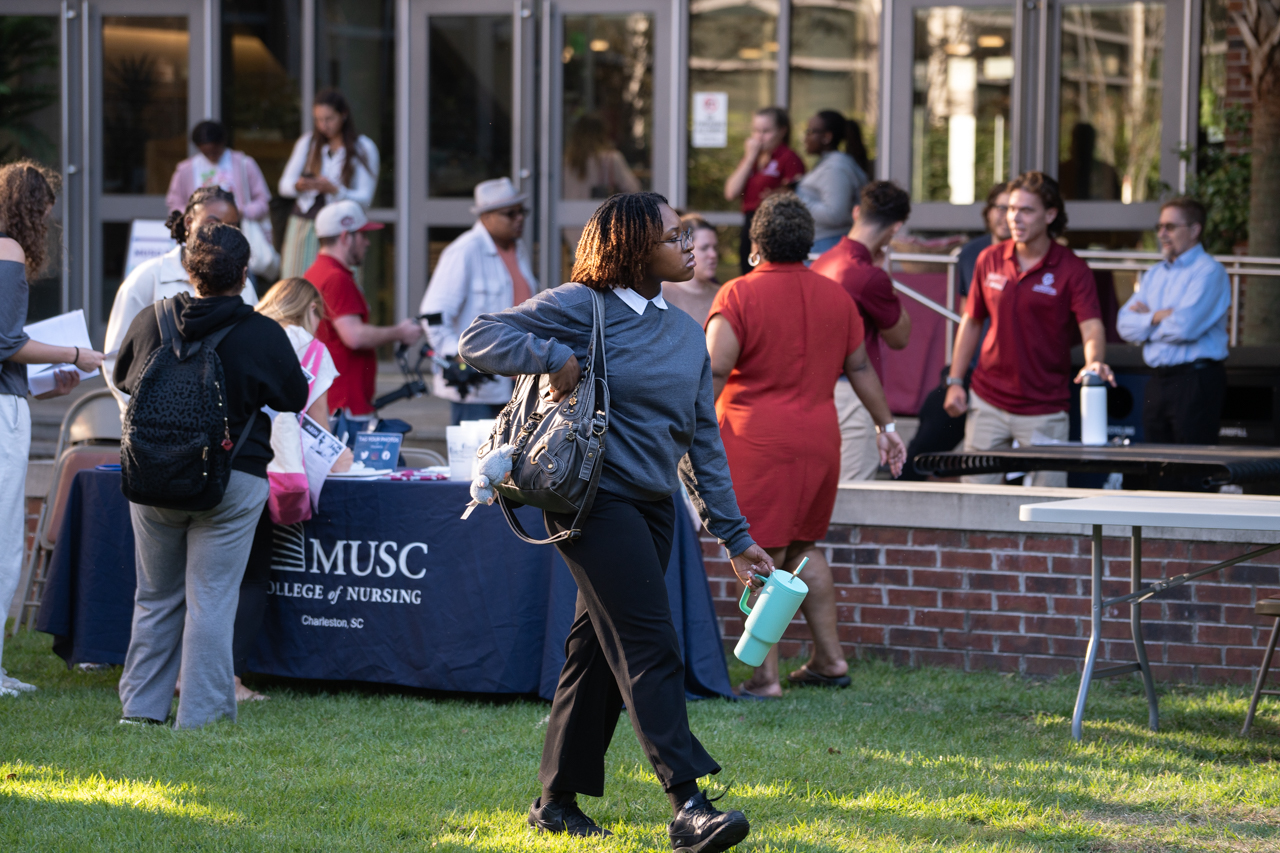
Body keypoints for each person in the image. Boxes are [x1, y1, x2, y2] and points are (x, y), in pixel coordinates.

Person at [459, 192, 774, 849]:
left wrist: (737, 537)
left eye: (686, 232)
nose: (689, 244)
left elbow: (702, 443)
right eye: (672, 234)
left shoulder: (687, 333)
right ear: (634, 250)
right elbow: (478, 338)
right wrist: (554, 357)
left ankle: (554, 802)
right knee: (650, 643)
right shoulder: (584, 307)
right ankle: (689, 802)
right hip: (595, 504)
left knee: (596, 654)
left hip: (656, 509)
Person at [707, 192, 905, 699]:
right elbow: (860, 366)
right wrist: (887, 428)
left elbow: (713, 370)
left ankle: (764, 676)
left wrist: (683, 429)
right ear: (808, 245)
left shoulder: (737, 294)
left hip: (756, 440)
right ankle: (830, 660)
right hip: (820, 438)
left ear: (756, 245)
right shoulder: (836, 295)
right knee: (803, 548)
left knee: (758, 553)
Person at [114, 222, 308, 728]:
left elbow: (121, 377)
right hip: (232, 479)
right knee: (212, 598)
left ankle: (139, 710)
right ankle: (200, 716)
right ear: (244, 275)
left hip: (153, 476)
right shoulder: (263, 333)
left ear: (188, 269)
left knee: (154, 595)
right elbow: (294, 398)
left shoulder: (152, 318)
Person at [0, 161, 105, 697]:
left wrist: (44, 384)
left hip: (9, 397)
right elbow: (5, 342)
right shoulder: (8, 250)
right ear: (32, 207)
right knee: (4, 540)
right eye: (46, 211)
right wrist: (77, 354)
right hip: (2, 416)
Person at [943, 171, 1114, 486]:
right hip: (988, 398)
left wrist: (1094, 362)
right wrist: (955, 380)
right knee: (975, 499)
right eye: (1010, 209)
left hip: (1044, 407)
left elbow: (1091, 326)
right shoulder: (989, 258)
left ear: (1050, 215)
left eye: (1026, 210)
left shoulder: (1072, 269)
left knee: (1046, 508)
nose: (1014, 218)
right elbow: (971, 320)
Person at [231, 278, 353, 702]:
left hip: (228, 464)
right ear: (311, 310)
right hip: (275, 473)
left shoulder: (241, 332)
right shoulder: (313, 351)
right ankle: (231, 678)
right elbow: (316, 426)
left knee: (207, 577)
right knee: (250, 577)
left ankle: (187, 670)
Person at [104, 186, 259, 415]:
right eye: (212, 223)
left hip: (223, 428)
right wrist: (146, 413)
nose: (221, 235)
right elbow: (115, 358)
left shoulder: (243, 286)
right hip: (155, 431)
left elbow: (253, 353)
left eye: (232, 227)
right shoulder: (147, 278)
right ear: (188, 223)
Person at [900, 183, 1010, 480]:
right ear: (988, 213)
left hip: (1018, 381)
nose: (1008, 216)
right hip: (972, 370)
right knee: (926, 441)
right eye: (1001, 207)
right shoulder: (972, 254)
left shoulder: (1039, 258)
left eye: (1016, 209)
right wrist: (956, 377)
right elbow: (967, 317)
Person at [811, 181, 912, 482]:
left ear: (856, 212)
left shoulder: (823, 261)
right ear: (896, 228)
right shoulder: (869, 276)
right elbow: (900, 337)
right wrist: (886, 277)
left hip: (817, 389)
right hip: (854, 393)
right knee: (851, 498)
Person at [420, 178, 537, 425]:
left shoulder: (519, 249)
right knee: (475, 460)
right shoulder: (464, 251)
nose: (519, 219)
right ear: (486, 217)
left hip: (518, 383)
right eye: (510, 213)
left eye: (522, 212)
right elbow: (433, 316)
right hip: (477, 389)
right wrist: (458, 356)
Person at [1117, 197, 1229, 444]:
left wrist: (1145, 323)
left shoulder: (1209, 271)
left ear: (1194, 229)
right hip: (1158, 381)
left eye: (1170, 227)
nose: (1162, 234)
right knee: (1157, 466)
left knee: (1192, 470)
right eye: (1159, 227)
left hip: (1195, 382)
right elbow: (1124, 325)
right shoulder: (1155, 274)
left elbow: (1185, 327)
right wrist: (1158, 316)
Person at [305, 200, 419, 435]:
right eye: (363, 235)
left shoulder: (316, 272)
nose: (367, 243)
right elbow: (354, 336)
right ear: (346, 237)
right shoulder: (337, 278)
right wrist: (400, 332)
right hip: (345, 406)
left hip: (332, 401)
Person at [278, 88, 380, 279]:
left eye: (329, 119)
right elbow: (284, 186)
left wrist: (335, 190)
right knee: (297, 288)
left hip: (341, 229)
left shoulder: (363, 147)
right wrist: (301, 185)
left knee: (339, 283)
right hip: (305, 223)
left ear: (344, 115)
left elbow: (365, 199)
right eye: (318, 120)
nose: (323, 125)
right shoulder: (308, 142)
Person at [164, 120, 273, 275]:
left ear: (223, 143)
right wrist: (197, 216)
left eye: (215, 151)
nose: (211, 156)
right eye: (206, 152)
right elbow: (174, 202)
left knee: (242, 277)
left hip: (238, 237)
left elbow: (263, 200)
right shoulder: (186, 169)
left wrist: (241, 212)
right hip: (200, 243)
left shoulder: (244, 164)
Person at [723, 107, 806, 276]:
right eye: (756, 131)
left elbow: (797, 194)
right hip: (750, 222)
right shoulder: (752, 157)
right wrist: (749, 158)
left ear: (782, 131)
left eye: (766, 131)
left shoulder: (788, 157)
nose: (760, 137)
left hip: (773, 225)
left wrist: (777, 193)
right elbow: (731, 192)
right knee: (747, 274)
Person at [795, 111, 868, 255]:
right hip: (822, 244)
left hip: (826, 246)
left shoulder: (836, 167)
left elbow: (835, 215)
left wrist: (794, 199)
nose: (806, 137)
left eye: (810, 131)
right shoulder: (829, 163)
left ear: (827, 137)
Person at [661, 215, 721, 325]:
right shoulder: (661, 294)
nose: (713, 254)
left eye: (715, 248)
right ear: (685, 248)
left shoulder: (722, 294)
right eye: (704, 248)